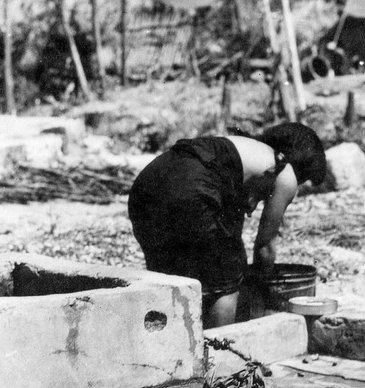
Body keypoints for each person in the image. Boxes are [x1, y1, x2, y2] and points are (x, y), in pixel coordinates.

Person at [127, 123, 327, 329]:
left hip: (148, 184)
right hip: (194, 185)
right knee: (226, 281)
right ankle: (222, 345)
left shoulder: (242, 149)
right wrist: (261, 289)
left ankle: (168, 341)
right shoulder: (285, 171)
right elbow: (265, 247)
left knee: (169, 278)